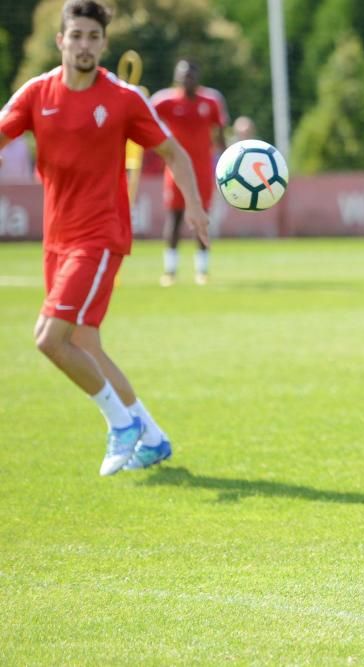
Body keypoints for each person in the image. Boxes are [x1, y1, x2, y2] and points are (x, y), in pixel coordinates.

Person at [0, 0, 210, 476]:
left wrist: (195, 207)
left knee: (48, 339)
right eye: (76, 36)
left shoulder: (122, 99)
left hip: (99, 236)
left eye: (93, 37)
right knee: (84, 343)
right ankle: (152, 438)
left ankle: (120, 424)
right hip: (57, 239)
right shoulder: (36, 94)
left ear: (104, 44)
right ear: (61, 41)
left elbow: (174, 152)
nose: (84, 45)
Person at [151, 59, 227, 286]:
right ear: (176, 77)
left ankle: (202, 270)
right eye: (183, 75)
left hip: (202, 170)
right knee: (174, 218)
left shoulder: (211, 102)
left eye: (191, 75)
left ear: (198, 77)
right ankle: (170, 270)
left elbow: (219, 133)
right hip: (174, 169)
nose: (188, 79)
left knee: (202, 217)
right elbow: (144, 120)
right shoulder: (165, 101)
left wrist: (227, 160)